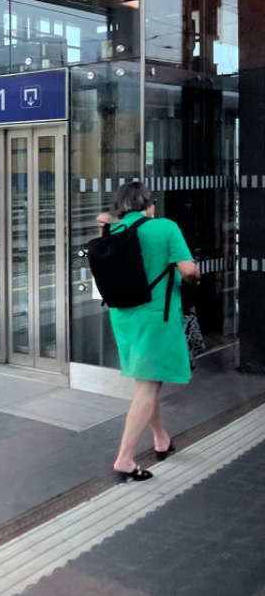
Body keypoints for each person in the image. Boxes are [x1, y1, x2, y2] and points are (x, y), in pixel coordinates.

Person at [97, 182, 199, 482]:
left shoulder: (115, 230)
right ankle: (125, 459)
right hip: (156, 316)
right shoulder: (165, 227)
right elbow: (187, 271)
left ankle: (161, 439)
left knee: (148, 380)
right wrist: (196, 277)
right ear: (149, 204)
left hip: (123, 316)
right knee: (147, 386)